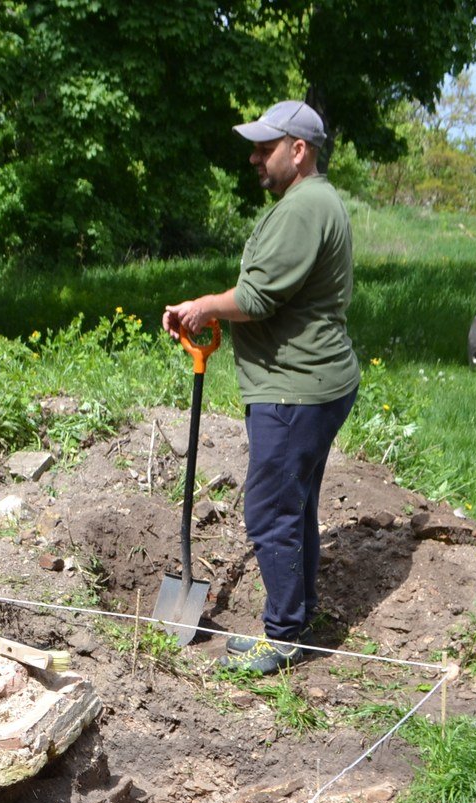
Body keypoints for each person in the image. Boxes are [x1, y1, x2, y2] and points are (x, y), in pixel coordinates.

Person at [161, 98, 359, 675]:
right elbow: (269, 293)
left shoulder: (303, 208)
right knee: (293, 505)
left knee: (272, 506)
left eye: (264, 148)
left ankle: (284, 636)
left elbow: (255, 299)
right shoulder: (311, 201)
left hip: (296, 387)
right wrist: (217, 311)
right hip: (308, 381)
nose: (254, 158)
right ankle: (297, 618)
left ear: (298, 151)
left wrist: (203, 307)